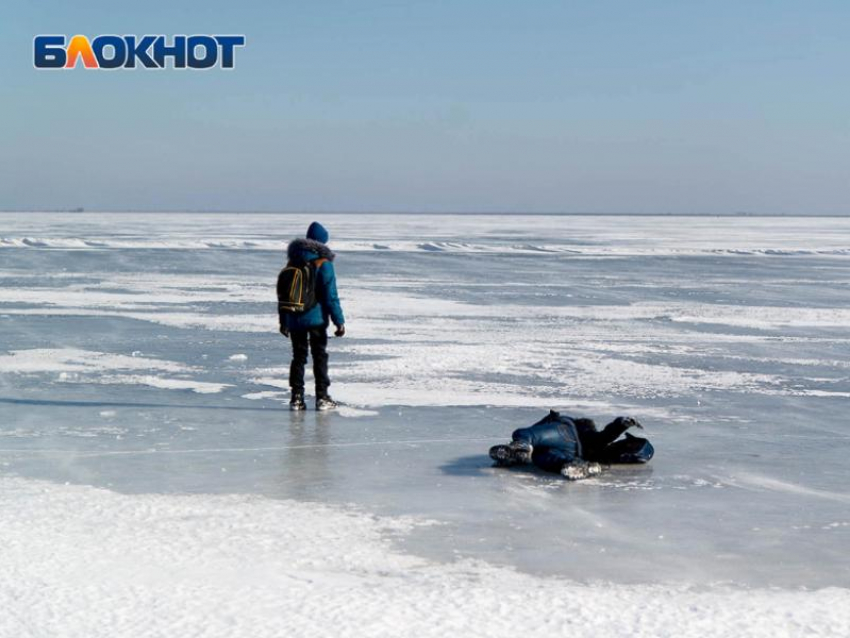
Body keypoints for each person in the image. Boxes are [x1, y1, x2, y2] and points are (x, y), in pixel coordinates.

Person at [278, 222, 346, 411]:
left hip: (294, 318)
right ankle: (322, 397)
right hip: (316, 319)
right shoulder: (324, 264)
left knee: (298, 357)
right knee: (319, 356)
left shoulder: (293, 261)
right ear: (323, 241)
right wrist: (339, 322)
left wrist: (283, 321)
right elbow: (330, 296)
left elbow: (284, 294)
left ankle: (296, 398)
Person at [489, 410, 654, 480]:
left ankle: (520, 448)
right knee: (545, 458)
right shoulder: (601, 449)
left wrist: (622, 424)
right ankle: (570, 465)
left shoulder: (596, 443)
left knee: (527, 437)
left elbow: (606, 436)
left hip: (566, 435)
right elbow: (606, 436)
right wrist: (622, 424)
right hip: (569, 448)